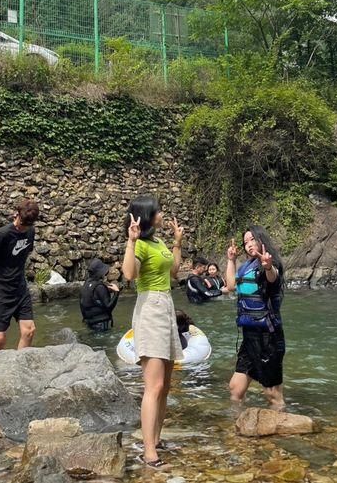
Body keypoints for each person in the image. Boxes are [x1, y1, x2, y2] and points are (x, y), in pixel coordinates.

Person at [122, 195, 184, 471]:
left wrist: (177, 244)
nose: (162, 214)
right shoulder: (141, 244)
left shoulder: (158, 242)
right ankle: (148, 453)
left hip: (166, 306)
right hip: (150, 308)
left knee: (166, 386)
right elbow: (128, 274)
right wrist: (132, 240)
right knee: (154, 385)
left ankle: (156, 440)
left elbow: (174, 272)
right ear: (147, 216)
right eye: (158, 211)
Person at [225, 226, 285, 410]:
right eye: (245, 242)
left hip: (268, 337)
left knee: (272, 393)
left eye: (252, 240)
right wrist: (231, 260)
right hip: (249, 335)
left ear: (261, 240)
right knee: (235, 389)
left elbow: (272, 276)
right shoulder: (245, 268)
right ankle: (239, 434)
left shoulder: (269, 265)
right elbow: (231, 286)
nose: (249, 245)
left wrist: (268, 266)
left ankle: (281, 429)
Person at [0, 199, 39, 352]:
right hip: (0, 288)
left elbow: (25, 253)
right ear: (16, 215)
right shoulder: (2, 235)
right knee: (0, 338)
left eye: (27, 226)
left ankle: (19, 365)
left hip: (19, 287)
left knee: (29, 331)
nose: (23, 229)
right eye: (21, 225)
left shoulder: (30, 231)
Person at [80, 258, 120, 332]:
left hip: (89, 322)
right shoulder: (100, 287)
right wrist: (116, 293)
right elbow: (109, 307)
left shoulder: (86, 284)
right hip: (101, 324)